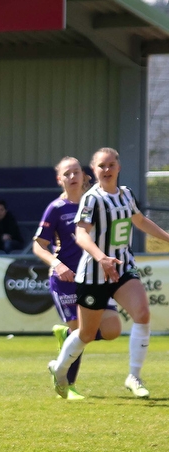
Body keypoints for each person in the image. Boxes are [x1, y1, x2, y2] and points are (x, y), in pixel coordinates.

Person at [48, 147, 169, 399]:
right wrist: (101, 257)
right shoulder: (92, 199)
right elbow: (81, 234)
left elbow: (140, 221)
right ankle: (60, 369)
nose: (106, 170)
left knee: (143, 313)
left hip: (122, 266)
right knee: (86, 334)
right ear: (94, 170)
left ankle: (134, 376)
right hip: (94, 271)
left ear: (119, 168)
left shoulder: (126, 195)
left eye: (111, 165)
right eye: (101, 166)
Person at [33, 157, 121, 400]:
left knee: (112, 329)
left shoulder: (96, 201)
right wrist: (57, 263)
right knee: (83, 333)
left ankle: (68, 337)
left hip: (94, 277)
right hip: (66, 279)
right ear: (59, 179)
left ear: (84, 176)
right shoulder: (56, 208)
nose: (72, 177)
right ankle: (67, 385)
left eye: (76, 173)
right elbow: (39, 246)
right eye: (67, 174)